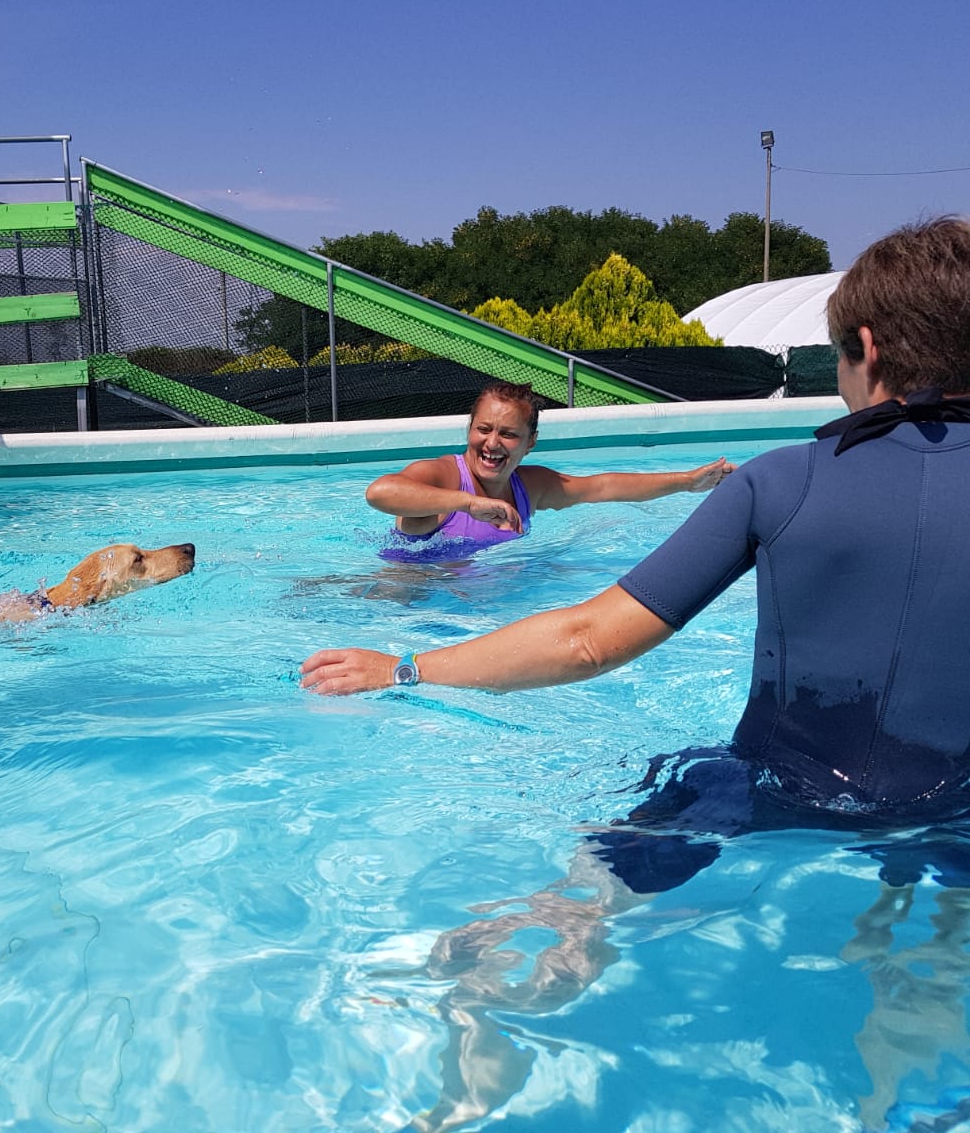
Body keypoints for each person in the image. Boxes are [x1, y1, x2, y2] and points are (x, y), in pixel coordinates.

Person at [303, 217, 970, 1128]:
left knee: (577, 898)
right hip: (955, 812)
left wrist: (408, 667)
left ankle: (480, 1038)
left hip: (772, 787)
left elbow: (590, 639)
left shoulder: (787, 480)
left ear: (864, 348)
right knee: (930, 985)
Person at [369, 381, 733, 562]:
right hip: (406, 605)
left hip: (477, 613)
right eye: (484, 429)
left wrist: (687, 482)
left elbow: (602, 487)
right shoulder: (443, 476)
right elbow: (380, 493)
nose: (492, 443)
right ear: (470, 429)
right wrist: (467, 504)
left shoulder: (529, 485)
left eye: (509, 434)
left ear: (530, 443)